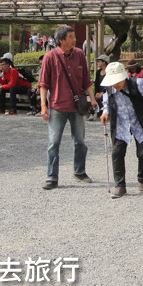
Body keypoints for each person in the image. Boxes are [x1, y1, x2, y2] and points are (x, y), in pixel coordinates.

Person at [37, 25, 96, 190]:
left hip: (76, 106)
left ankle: (79, 171)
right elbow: (43, 84)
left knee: (80, 141)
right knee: (53, 143)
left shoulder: (79, 55)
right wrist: (43, 105)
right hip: (57, 105)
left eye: (74, 36)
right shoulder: (50, 57)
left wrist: (92, 99)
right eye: (71, 36)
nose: (74, 39)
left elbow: (86, 80)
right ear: (61, 40)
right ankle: (52, 177)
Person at [100, 62, 143, 198]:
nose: (115, 85)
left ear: (124, 77)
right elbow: (106, 103)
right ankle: (120, 186)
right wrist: (105, 112)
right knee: (117, 153)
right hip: (121, 123)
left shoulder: (138, 84)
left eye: (117, 82)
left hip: (139, 121)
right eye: (113, 82)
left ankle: (142, 179)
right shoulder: (109, 89)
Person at [90, 54, 110, 121]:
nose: (97, 63)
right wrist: (96, 92)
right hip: (99, 91)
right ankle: (93, 113)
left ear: (104, 62)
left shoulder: (109, 72)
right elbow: (96, 84)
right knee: (94, 98)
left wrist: (103, 92)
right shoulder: (98, 72)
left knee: (104, 97)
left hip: (107, 91)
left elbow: (109, 84)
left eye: (99, 61)